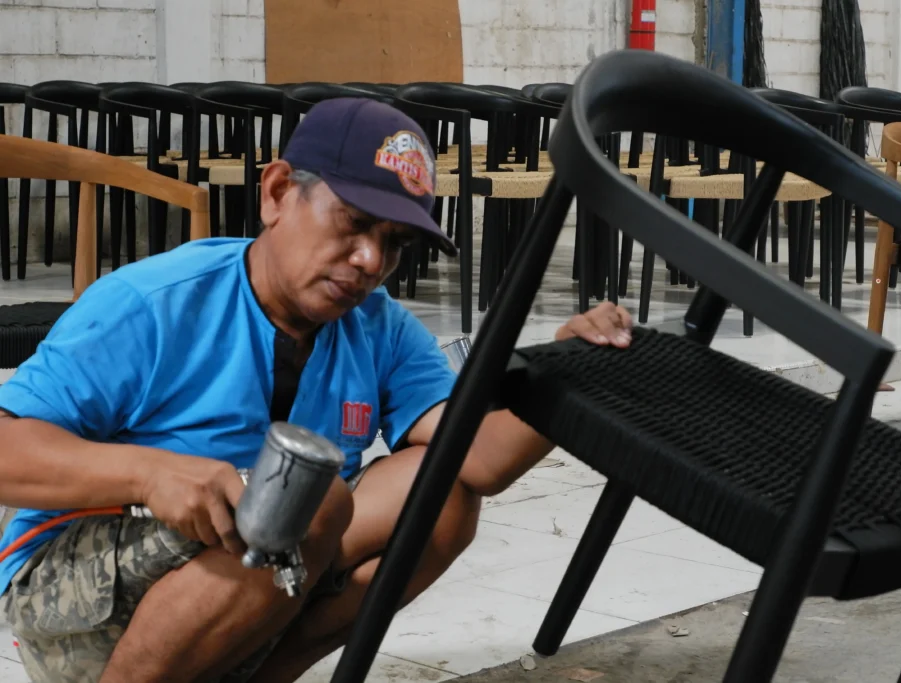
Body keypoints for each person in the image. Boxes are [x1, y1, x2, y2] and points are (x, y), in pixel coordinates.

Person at [0, 97, 634, 683]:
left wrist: (568, 373)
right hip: (72, 596)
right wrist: (149, 475)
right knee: (313, 500)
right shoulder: (155, 304)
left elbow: (477, 460)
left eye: (394, 243)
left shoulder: (379, 328)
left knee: (440, 499)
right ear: (278, 193)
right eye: (353, 222)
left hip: (226, 585)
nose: (370, 261)